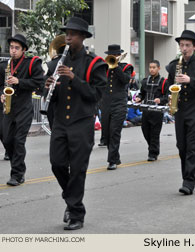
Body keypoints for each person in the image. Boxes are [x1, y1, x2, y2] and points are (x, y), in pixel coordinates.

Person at [45, 17, 107, 230]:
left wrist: (73, 78)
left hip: (82, 123)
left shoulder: (94, 63)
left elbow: (96, 95)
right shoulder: (56, 63)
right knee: (57, 163)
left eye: (72, 34)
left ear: (82, 37)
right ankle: (71, 199)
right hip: (61, 122)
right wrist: (48, 87)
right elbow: (50, 96)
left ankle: (76, 213)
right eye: (67, 33)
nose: (68, 37)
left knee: (78, 169)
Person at [167, 30, 195, 195]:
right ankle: (187, 176)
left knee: (192, 145)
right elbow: (168, 85)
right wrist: (169, 96)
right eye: (181, 45)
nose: (184, 48)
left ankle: (189, 181)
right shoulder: (174, 65)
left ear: (194, 47)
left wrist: (190, 80)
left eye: (187, 45)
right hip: (180, 109)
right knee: (182, 146)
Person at [0, 34, 43, 186]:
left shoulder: (32, 63)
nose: (13, 51)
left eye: (16, 48)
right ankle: (17, 167)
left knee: (19, 141)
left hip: (24, 108)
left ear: (23, 50)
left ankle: (17, 174)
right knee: (6, 139)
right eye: (11, 47)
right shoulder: (5, 65)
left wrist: (19, 81)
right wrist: (1, 95)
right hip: (8, 108)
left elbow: (39, 82)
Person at [101, 44, 133, 170]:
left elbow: (125, 80)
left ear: (120, 55)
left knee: (115, 132)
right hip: (106, 103)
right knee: (107, 134)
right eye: (111, 55)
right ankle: (115, 156)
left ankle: (112, 160)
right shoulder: (104, 68)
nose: (113, 57)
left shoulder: (126, 67)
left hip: (119, 103)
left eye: (115, 55)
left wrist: (115, 67)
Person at [135, 60, 168, 161]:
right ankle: (153, 148)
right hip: (146, 110)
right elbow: (142, 93)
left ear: (159, 68)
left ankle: (153, 153)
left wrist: (160, 100)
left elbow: (167, 97)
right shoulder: (145, 81)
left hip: (157, 111)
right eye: (150, 67)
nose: (152, 69)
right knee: (145, 131)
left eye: (154, 67)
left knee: (154, 133)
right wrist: (139, 98)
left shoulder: (164, 82)